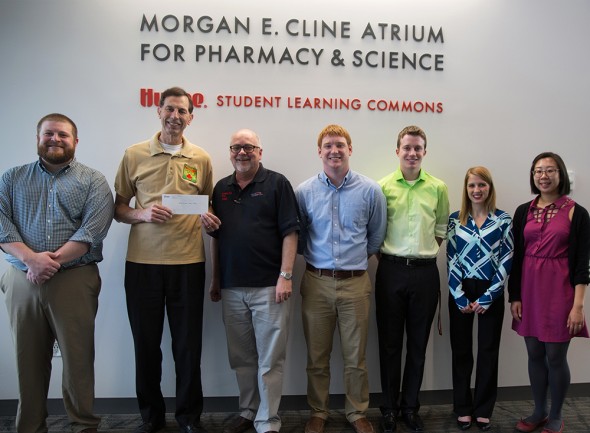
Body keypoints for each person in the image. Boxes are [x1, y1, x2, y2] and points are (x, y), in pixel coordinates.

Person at [0, 113, 114, 433]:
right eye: (49, 134)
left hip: (75, 278)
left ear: (75, 142)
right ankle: (30, 426)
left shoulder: (93, 180)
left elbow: (92, 230)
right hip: (22, 278)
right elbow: (1, 225)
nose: (55, 139)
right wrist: (31, 260)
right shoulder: (12, 178)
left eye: (63, 135)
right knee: (28, 360)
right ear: (38, 139)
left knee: (78, 360)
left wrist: (49, 262)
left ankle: (83, 425)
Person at [114, 87, 214, 433]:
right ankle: (151, 418)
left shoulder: (201, 158)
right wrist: (140, 215)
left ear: (190, 117)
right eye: (169, 109)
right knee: (146, 345)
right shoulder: (134, 154)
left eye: (182, 111)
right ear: (158, 111)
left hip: (188, 263)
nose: (175, 116)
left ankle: (189, 418)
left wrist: (210, 218)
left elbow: (206, 203)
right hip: (142, 264)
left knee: (188, 347)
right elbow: (119, 208)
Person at [205, 129, 300, 433]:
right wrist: (216, 279)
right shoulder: (221, 189)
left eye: (248, 147)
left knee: (270, 359)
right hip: (232, 289)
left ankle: (268, 420)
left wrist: (285, 276)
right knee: (242, 358)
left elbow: (290, 232)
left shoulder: (277, 183)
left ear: (260, 152)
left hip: (270, 288)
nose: (242, 152)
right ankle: (248, 411)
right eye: (236, 147)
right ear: (230, 152)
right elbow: (216, 239)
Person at [295, 124, 387, 433]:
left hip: (356, 283)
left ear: (350, 149)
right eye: (328, 145)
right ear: (319, 151)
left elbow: (375, 237)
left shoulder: (370, 190)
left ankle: (356, 411)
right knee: (317, 356)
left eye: (340, 144)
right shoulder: (304, 191)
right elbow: (300, 235)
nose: (335, 150)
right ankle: (318, 412)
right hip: (316, 281)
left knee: (355, 357)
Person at [375, 125, 449, 433]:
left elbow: (441, 229)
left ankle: (410, 407)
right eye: (407, 148)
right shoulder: (381, 187)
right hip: (390, 270)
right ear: (397, 151)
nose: (412, 153)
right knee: (390, 345)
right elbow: (375, 231)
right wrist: (394, 259)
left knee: (418, 345)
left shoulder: (437, 187)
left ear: (424, 152)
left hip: (424, 273)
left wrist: (419, 256)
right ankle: (389, 408)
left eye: (418, 148)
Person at [509, 152, 589, 433]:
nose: (543, 176)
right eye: (538, 171)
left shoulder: (577, 212)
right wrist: (514, 296)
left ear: (561, 174)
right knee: (534, 353)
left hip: (561, 292)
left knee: (555, 355)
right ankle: (539, 410)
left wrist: (578, 306)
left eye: (550, 170)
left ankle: (556, 414)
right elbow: (516, 258)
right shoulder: (522, 211)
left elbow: (582, 264)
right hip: (529, 291)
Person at [446, 166, 514, 431]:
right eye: (472, 185)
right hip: (461, 289)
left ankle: (483, 408)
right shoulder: (455, 220)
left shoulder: (503, 220)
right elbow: (451, 258)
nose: (476, 190)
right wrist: (458, 295)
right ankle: (462, 407)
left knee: (488, 351)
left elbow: (507, 258)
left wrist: (489, 296)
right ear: (466, 188)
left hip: (491, 290)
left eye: (482, 185)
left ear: (489, 188)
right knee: (461, 350)